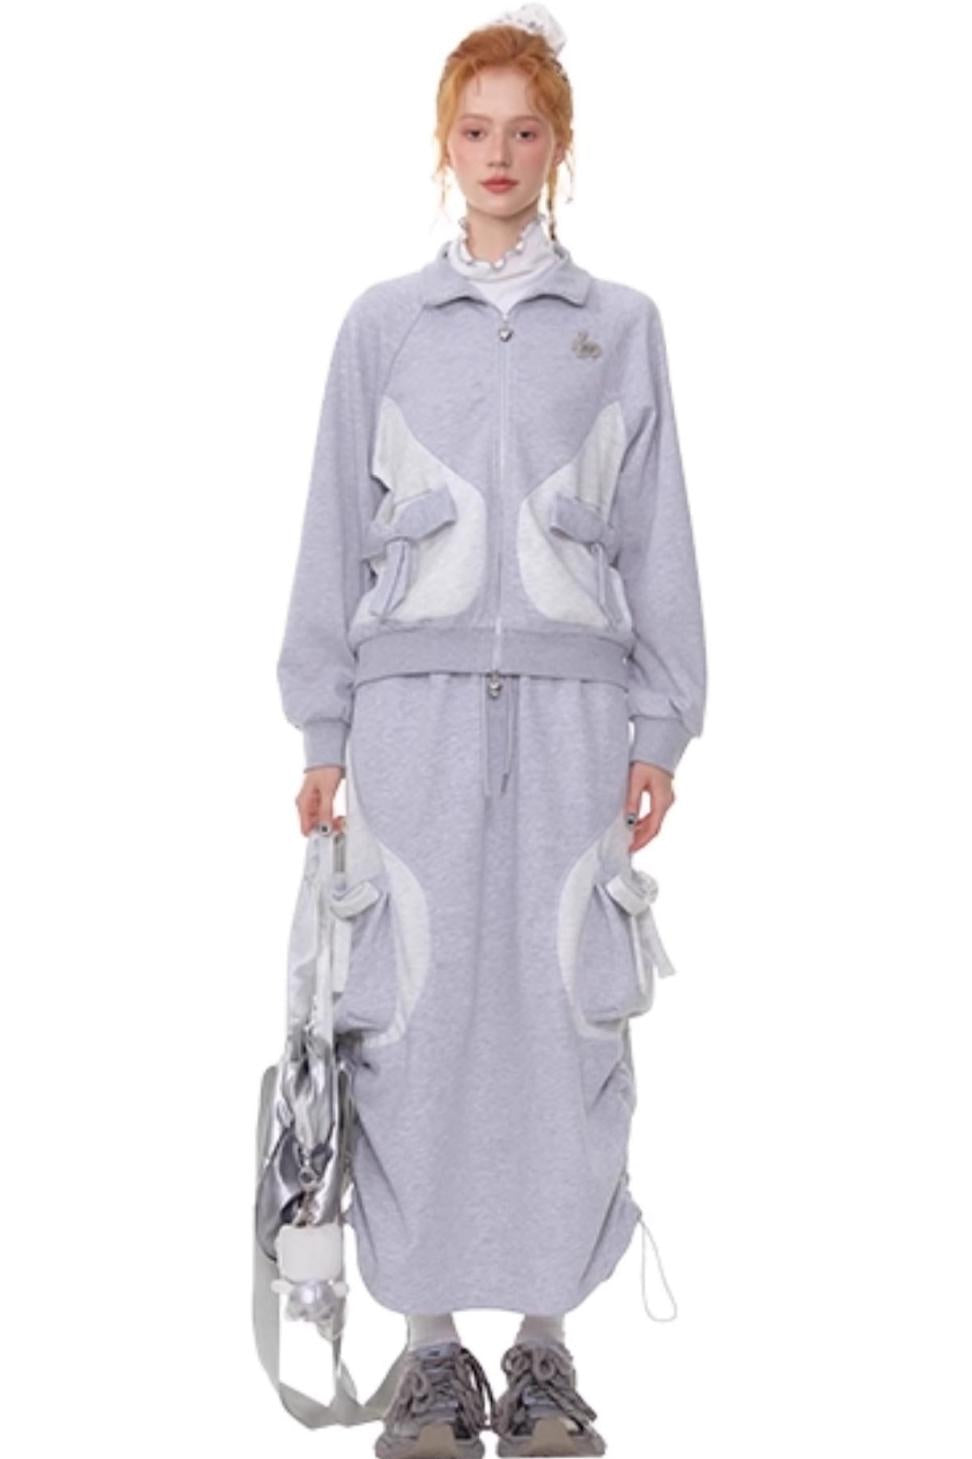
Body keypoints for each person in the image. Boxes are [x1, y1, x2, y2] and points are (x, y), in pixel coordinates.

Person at [274, 6, 707, 1455]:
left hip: (577, 721)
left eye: (526, 130)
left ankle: (544, 1352)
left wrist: (662, 720)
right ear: (444, 146)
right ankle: (430, 1355)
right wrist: (322, 727)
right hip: (411, 722)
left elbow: (657, 533)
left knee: (563, 1012)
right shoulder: (383, 326)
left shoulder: (620, 326)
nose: (500, 153)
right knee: (411, 1016)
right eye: (477, 130)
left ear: (559, 147)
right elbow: (333, 527)